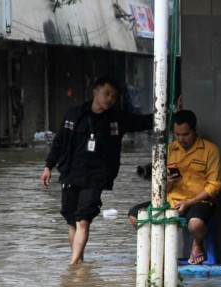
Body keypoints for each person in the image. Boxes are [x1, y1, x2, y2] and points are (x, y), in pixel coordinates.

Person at [40, 76, 152, 265]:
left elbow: (146, 121)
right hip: (71, 173)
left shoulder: (117, 119)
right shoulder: (74, 115)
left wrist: (173, 110)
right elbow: (59, 143)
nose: (110, 99)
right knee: (72, 220)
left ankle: (73, 264)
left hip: (97, 176)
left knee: (83, 219)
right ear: (95, 92)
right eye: (106, 93)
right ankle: (79, 261)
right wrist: (48, 167)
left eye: (114, 96)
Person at [128, 110, 221, 265]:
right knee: (135, 215)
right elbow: (162, 185)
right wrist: (168, 182)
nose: (181, 139)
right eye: (177, 134)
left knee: (195, 223)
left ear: (195, 131)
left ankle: (197, 244)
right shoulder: (170, 149)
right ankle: (153, 251)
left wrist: (189, 203)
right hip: (172, 200)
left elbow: (215, 186)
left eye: (185, 135)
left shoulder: (210, 150)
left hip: (200, 202)